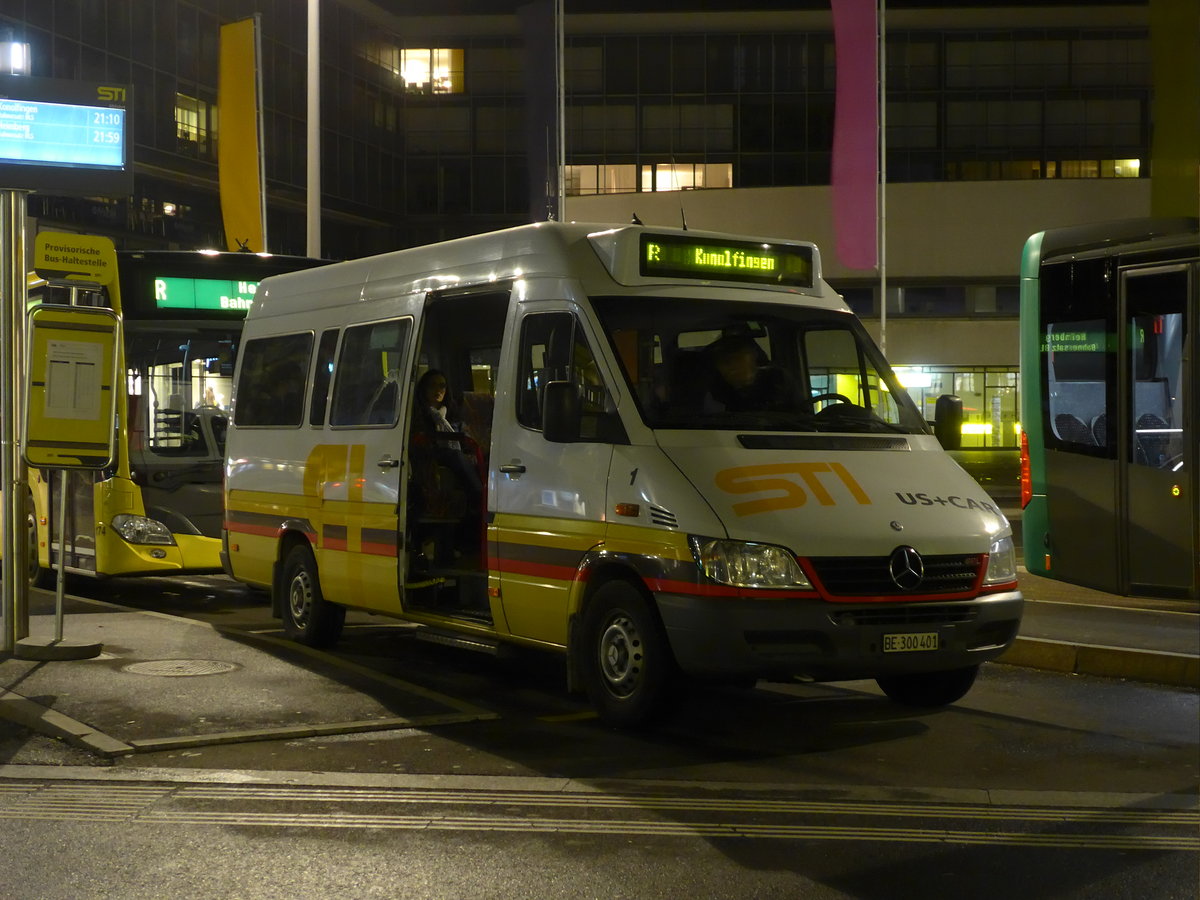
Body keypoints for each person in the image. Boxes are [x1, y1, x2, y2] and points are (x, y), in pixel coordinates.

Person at [702, 334, 800, 414]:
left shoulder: (778, 381)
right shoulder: (713, 391)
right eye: (724, 362)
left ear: (754, 358)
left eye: (737, 359)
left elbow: (799, 415)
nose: (732, 367)